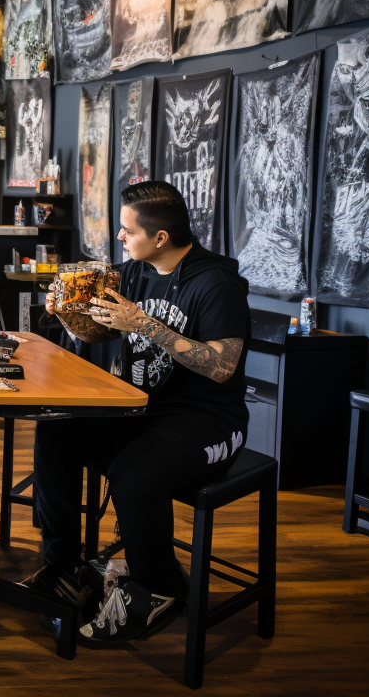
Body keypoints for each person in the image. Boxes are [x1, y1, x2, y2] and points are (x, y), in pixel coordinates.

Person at [28, 180, 249, 645]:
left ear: (161, 237)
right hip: (139, 410)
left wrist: (145, 324)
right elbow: (99, 335)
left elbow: (223, 367)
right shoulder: (134, 271)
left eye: (127, 231)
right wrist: (68, 315)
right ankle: (66, 564)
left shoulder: (216, 283)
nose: (120, 239)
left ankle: (160, 588)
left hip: (208, 421)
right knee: (56, 436)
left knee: (132, 476)